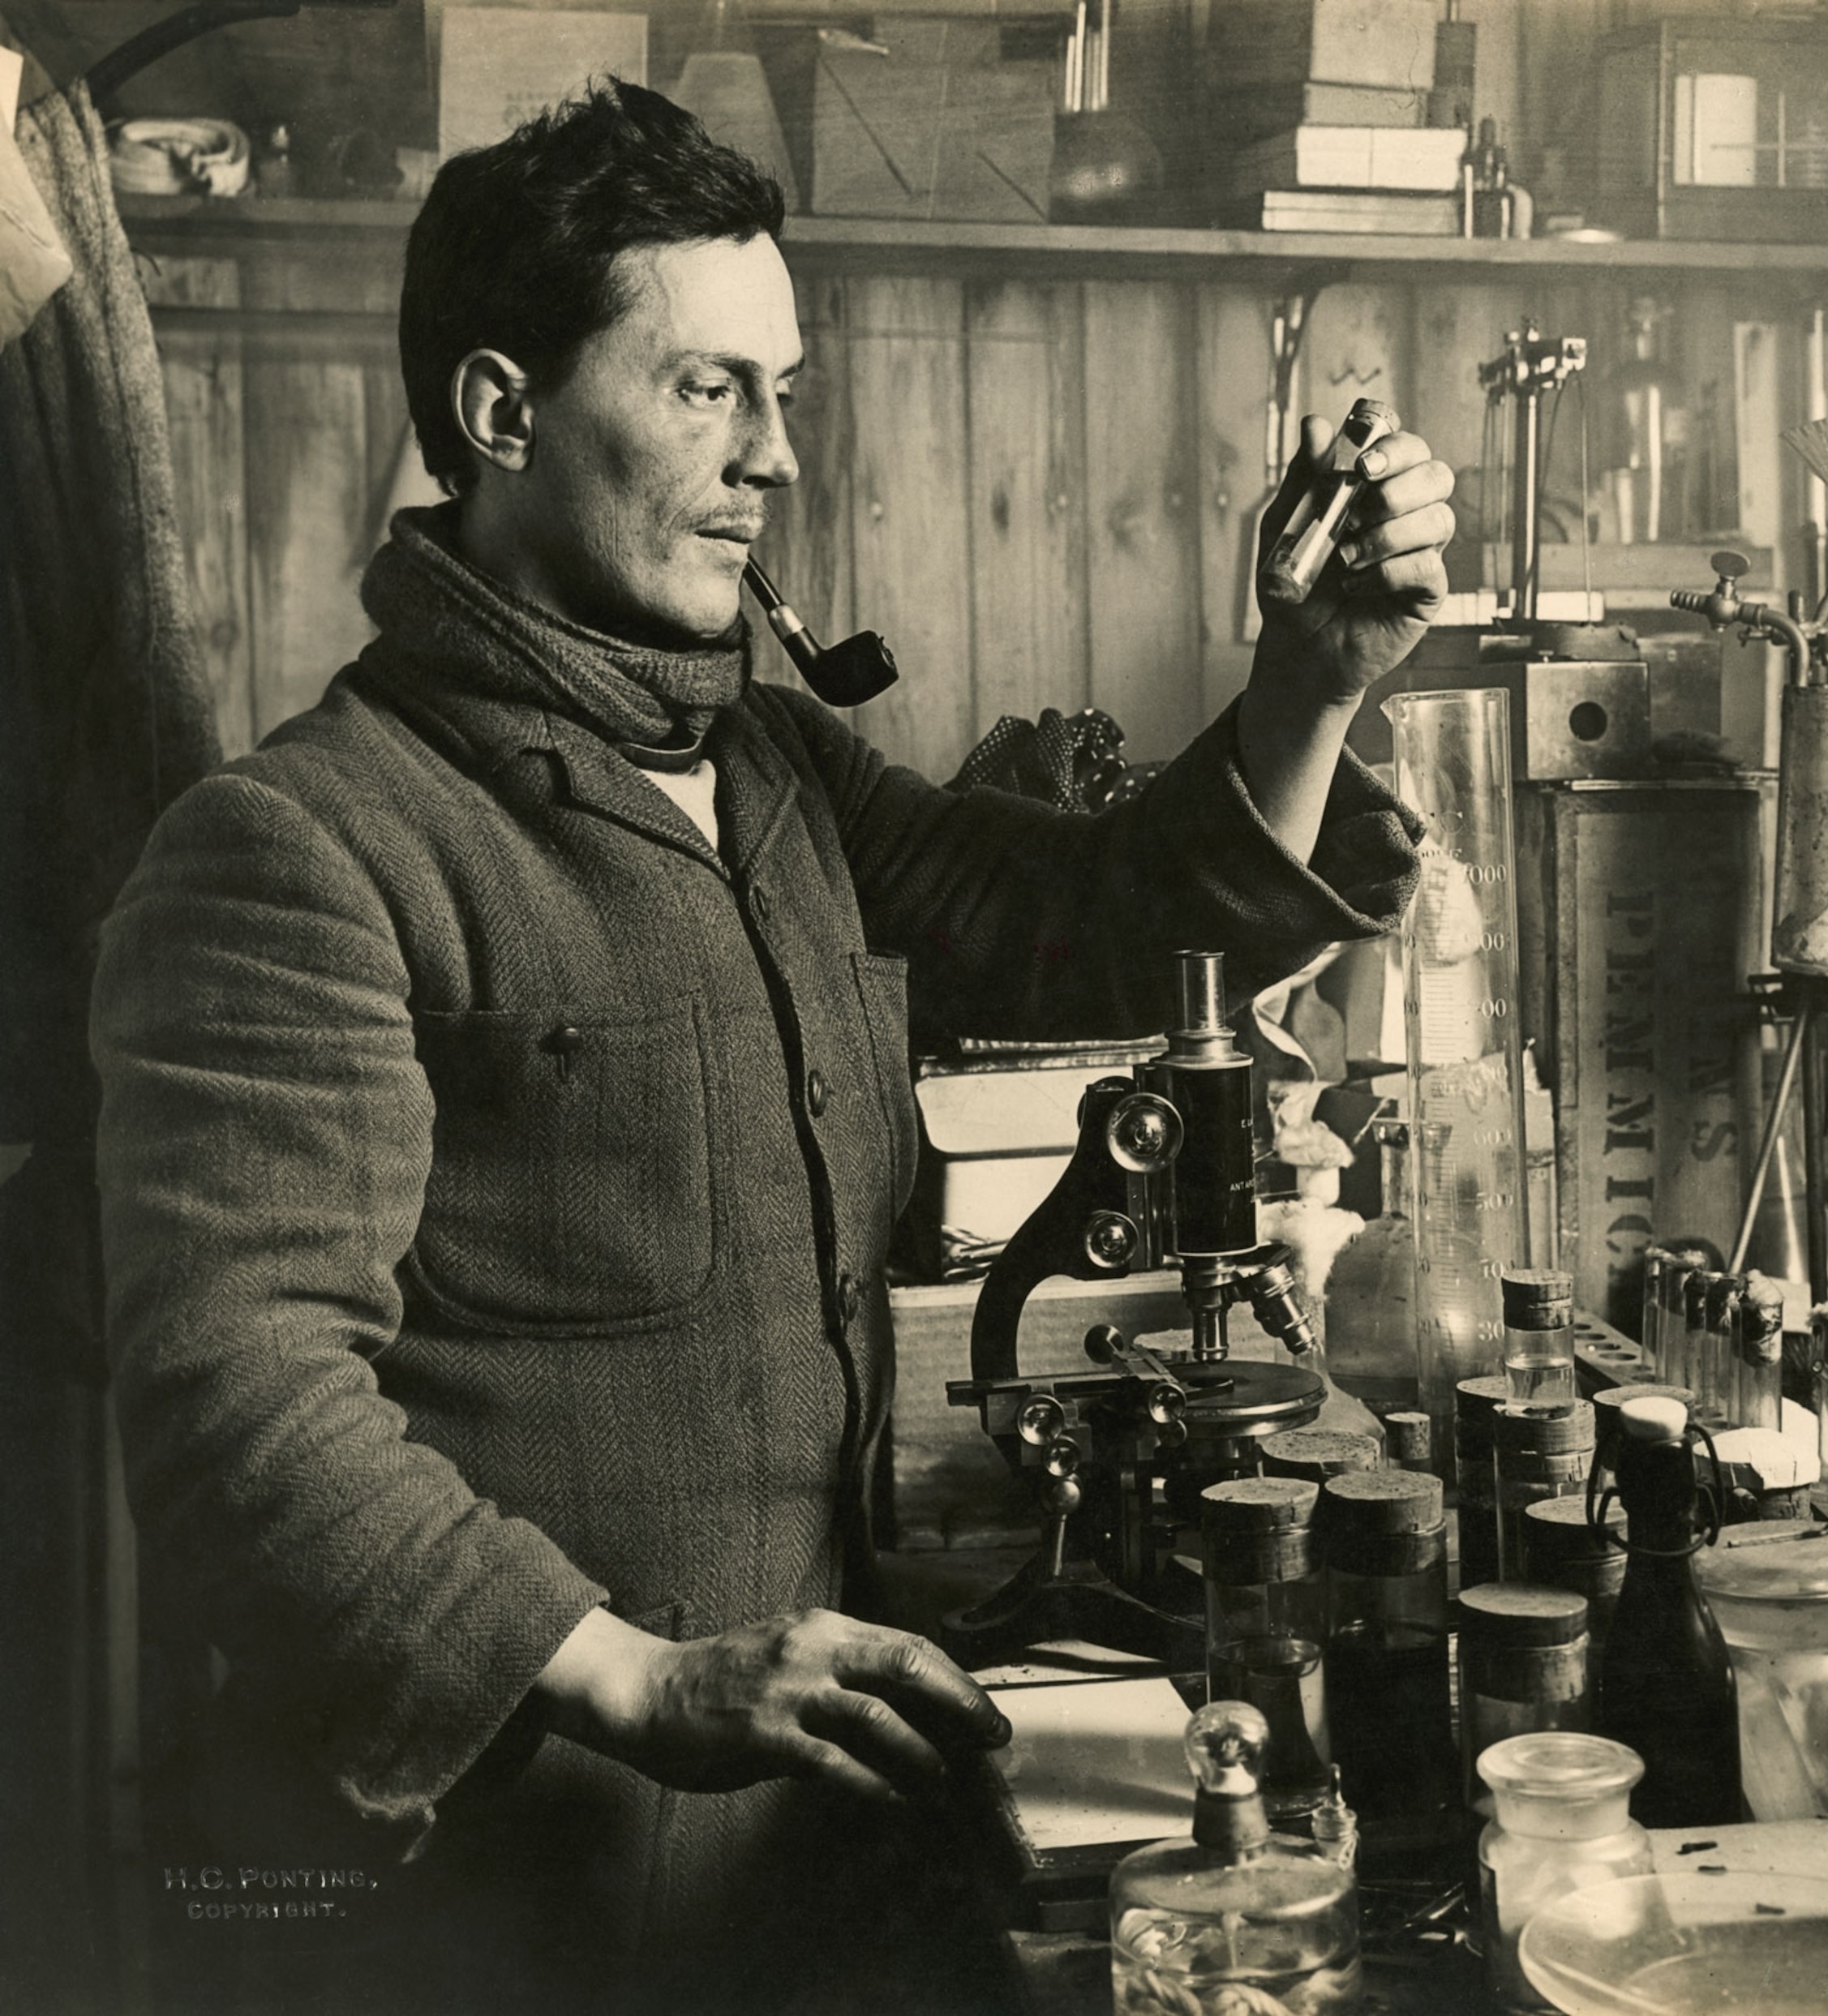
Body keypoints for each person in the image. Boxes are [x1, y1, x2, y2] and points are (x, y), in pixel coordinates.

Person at [92, 82, 1453, 2016]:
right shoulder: (298, 849)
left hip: (812, 1868)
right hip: (503, 1909)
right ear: (501, 414)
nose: (776, 458)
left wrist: (1314, 678)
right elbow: (239, 1408)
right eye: (710, 391)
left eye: (783, 392)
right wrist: (638, 1678)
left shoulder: (775, 764)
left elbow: (1094, 919)